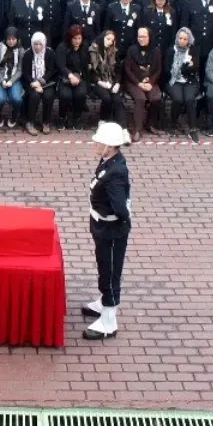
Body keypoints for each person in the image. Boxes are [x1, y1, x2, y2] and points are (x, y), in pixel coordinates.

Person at [83, 121, 132, 340]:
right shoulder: (109, 162)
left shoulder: (116, 172)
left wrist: (112, 220)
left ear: (110, 146)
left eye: (99, 140)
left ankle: (109, 320)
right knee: (104, 266)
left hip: (111, 231)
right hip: (103, 227)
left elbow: (121, 208)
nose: (95, 142)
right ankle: (104, 302)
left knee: (111, 272)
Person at [123, 27, 162, 142]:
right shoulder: (132, 50)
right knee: (140, 98)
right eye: (139, 36)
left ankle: (149, 124)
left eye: (144, 36)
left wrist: (150, 82)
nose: (141, 39)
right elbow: (127, 69)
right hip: (134, 81)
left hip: (150, 81)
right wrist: (138, 83)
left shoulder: (156, 50)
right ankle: (137, 130)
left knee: (156, 98)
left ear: (149, 37)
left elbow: (159, 69)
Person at [164, 27, 201, 142]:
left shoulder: (193, 50)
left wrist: (184, 69)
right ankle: (172, 125)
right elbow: (167, 69)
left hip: (189, 81)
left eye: (185, 39)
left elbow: (195, 68)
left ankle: (193, 129)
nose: (182, 41)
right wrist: (186, 67)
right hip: (173, 81)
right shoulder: (171, 50)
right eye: (180, 38)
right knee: (178, 99)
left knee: (190, 99)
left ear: (189, 40)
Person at [21, 31, 58, 135]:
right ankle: (30, 122)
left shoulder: (50, 53)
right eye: (35, 44)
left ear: (44, 44)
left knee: (48, 96)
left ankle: (46, 122)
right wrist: (34, 83)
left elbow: (51, 70)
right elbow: (26, 72)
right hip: (31, 82)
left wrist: (41, 82)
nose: (37, 47)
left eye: (40, 44)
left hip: (47, 82)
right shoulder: (28, 54)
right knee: (34, 96)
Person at [57, 25, 89, 130]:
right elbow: (61, 65)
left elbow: (85, 66)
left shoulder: (84, 47)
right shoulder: (62, 47)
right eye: (74, 38)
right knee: (65, 95)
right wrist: (70, 76)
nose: (77, 41)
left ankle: (77, 117)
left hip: (79, 77)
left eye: (79, 38)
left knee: (81, 94)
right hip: (65, 77)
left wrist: (79, 77)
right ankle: (62, 116)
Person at [0, 27, 24, 129]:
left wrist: (11, 81)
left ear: (17, 39)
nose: (11, 41)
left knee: (17, 99)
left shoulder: (21, 50)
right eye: (9, 39)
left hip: (14, 79)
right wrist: (1, 81)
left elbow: (20, 70)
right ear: (5, 39)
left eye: (13, 39)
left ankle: (14, 116)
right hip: (0, 78)